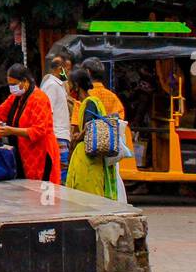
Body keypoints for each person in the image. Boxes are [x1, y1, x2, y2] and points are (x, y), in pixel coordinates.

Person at [0, 63, 61, 185]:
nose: (11, 87)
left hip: (41, 155)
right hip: (24, 156)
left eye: (13, 84)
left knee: (44, 195)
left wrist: (12, 131)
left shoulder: (39, 98)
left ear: (25, 81)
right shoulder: (15, 98)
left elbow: (39, 130)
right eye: (9, 84)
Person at [66, 67, 118, 199]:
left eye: (70, 84)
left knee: (85, 194)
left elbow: (89, 126)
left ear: (77, 86)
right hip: (92, 156)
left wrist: (77, 138)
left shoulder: (89, 103)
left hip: (86, 157)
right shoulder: (92, 101)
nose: (69, 87)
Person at [82, 56, 130, 199]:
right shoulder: (112, 97)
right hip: (109, 149)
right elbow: (120, 122)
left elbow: (78, 124)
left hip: (88, 150)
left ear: (88, 72)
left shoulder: (86, 97)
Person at [41, 49, 72, 177]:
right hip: (57, 136)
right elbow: (48, 113)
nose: (68, 72)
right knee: (60, 174)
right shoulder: (52, 86)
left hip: (61, 136)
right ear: (60, 68)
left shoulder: (58, 85)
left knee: (62, 172)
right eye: (67, 69)